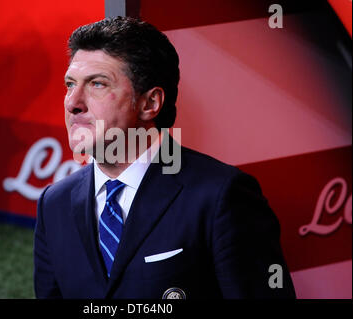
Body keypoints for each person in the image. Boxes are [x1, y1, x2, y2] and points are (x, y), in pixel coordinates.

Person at [33, 16, 296, 299]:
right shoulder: (54, 204)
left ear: (150, 103)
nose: (72, 102)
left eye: (97, 84)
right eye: (70, 84)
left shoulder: (221, 196)